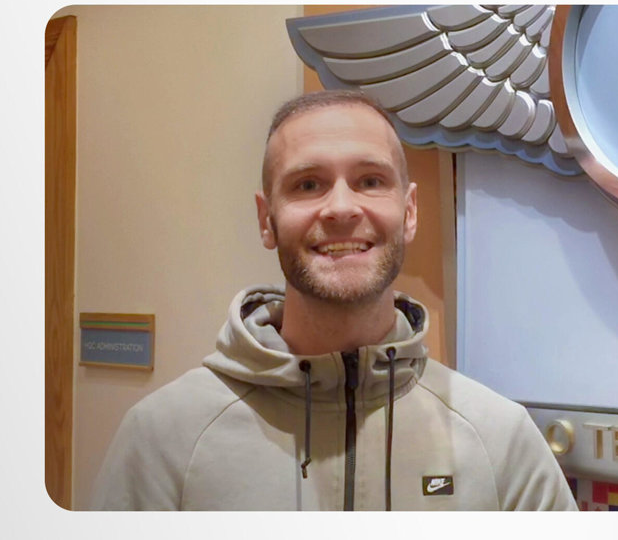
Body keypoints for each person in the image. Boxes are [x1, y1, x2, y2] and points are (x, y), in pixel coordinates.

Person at [90, 90, 577, 511]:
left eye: (370, 181)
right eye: (308, 184)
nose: (341, 208)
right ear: (266, 220)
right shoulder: (163, 440)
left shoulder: (503, 444)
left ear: (408, 212)